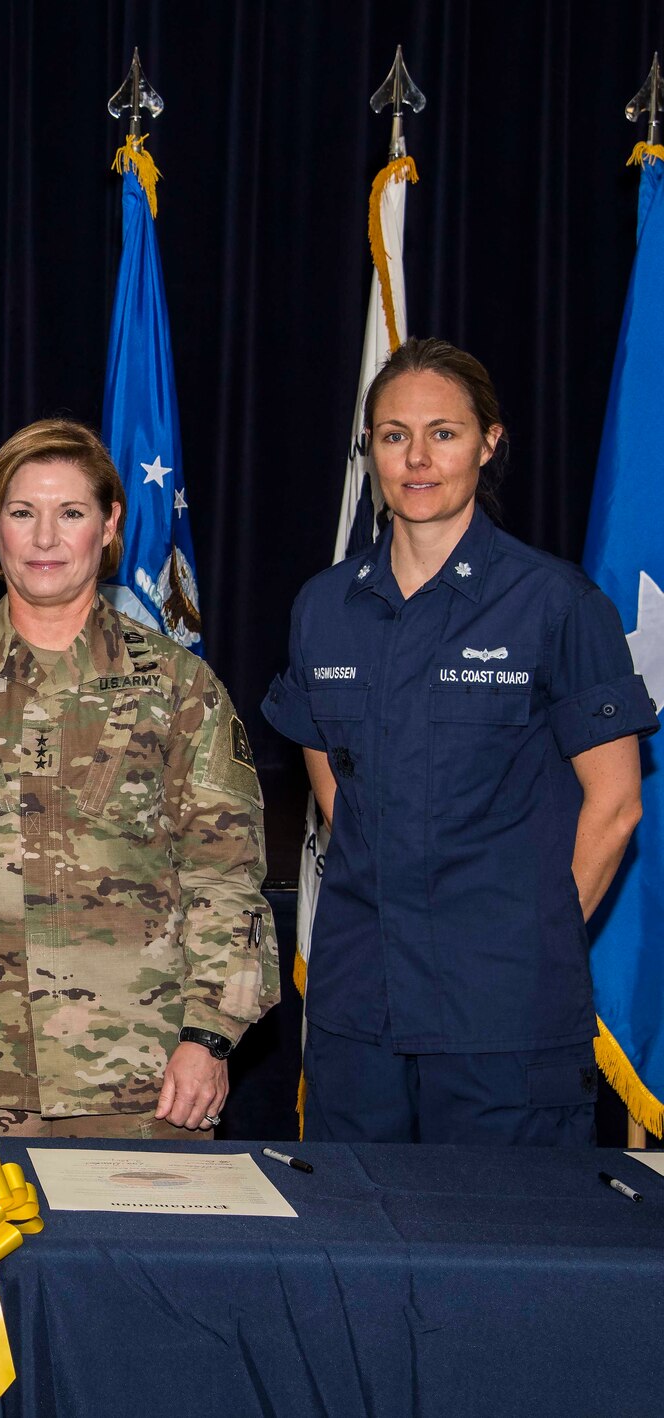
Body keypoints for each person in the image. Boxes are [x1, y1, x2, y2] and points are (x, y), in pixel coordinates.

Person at [263, 338, 653, 1146]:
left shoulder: (555, 605)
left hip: (502, 1020)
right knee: (352, 1248)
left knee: (503, 1253)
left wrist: (526, 942)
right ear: (369, 449)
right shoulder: (324, 606)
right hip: (358, 1008)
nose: (417, 457)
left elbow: (615, 808)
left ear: (488, 443)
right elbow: (329, 773)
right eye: (393, 434)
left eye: (443, 432)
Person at [0, 419, 277, 1138]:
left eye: (70, 513)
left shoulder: (176, 685)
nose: (46, 538)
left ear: (109, 527)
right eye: (23, 513)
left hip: (142, 1077)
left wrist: (209, 1037)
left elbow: (225, 875)